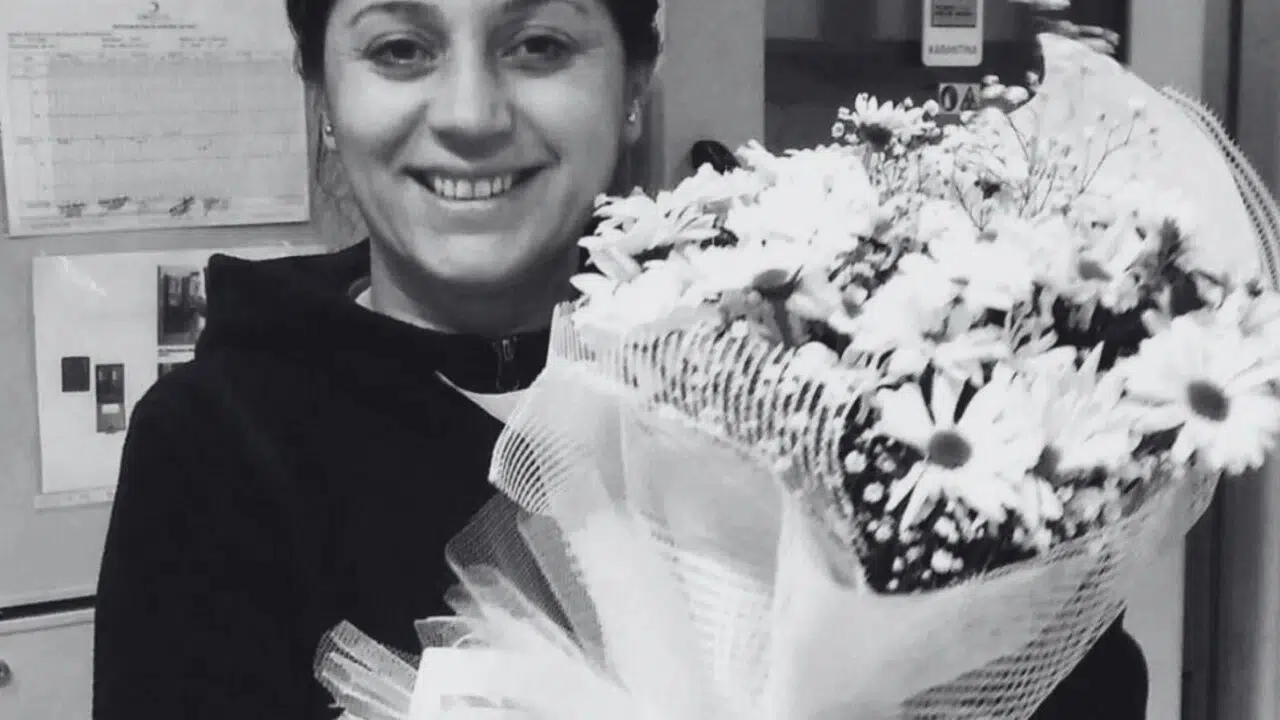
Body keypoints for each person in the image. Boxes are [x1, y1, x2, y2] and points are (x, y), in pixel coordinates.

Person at [90, 1, 1147, 718]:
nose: (469, 115)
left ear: (635, 83)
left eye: (539, 44)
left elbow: (1069, 677)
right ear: (323, 94)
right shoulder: (222, 443)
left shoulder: (800, 369)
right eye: (401, 49)